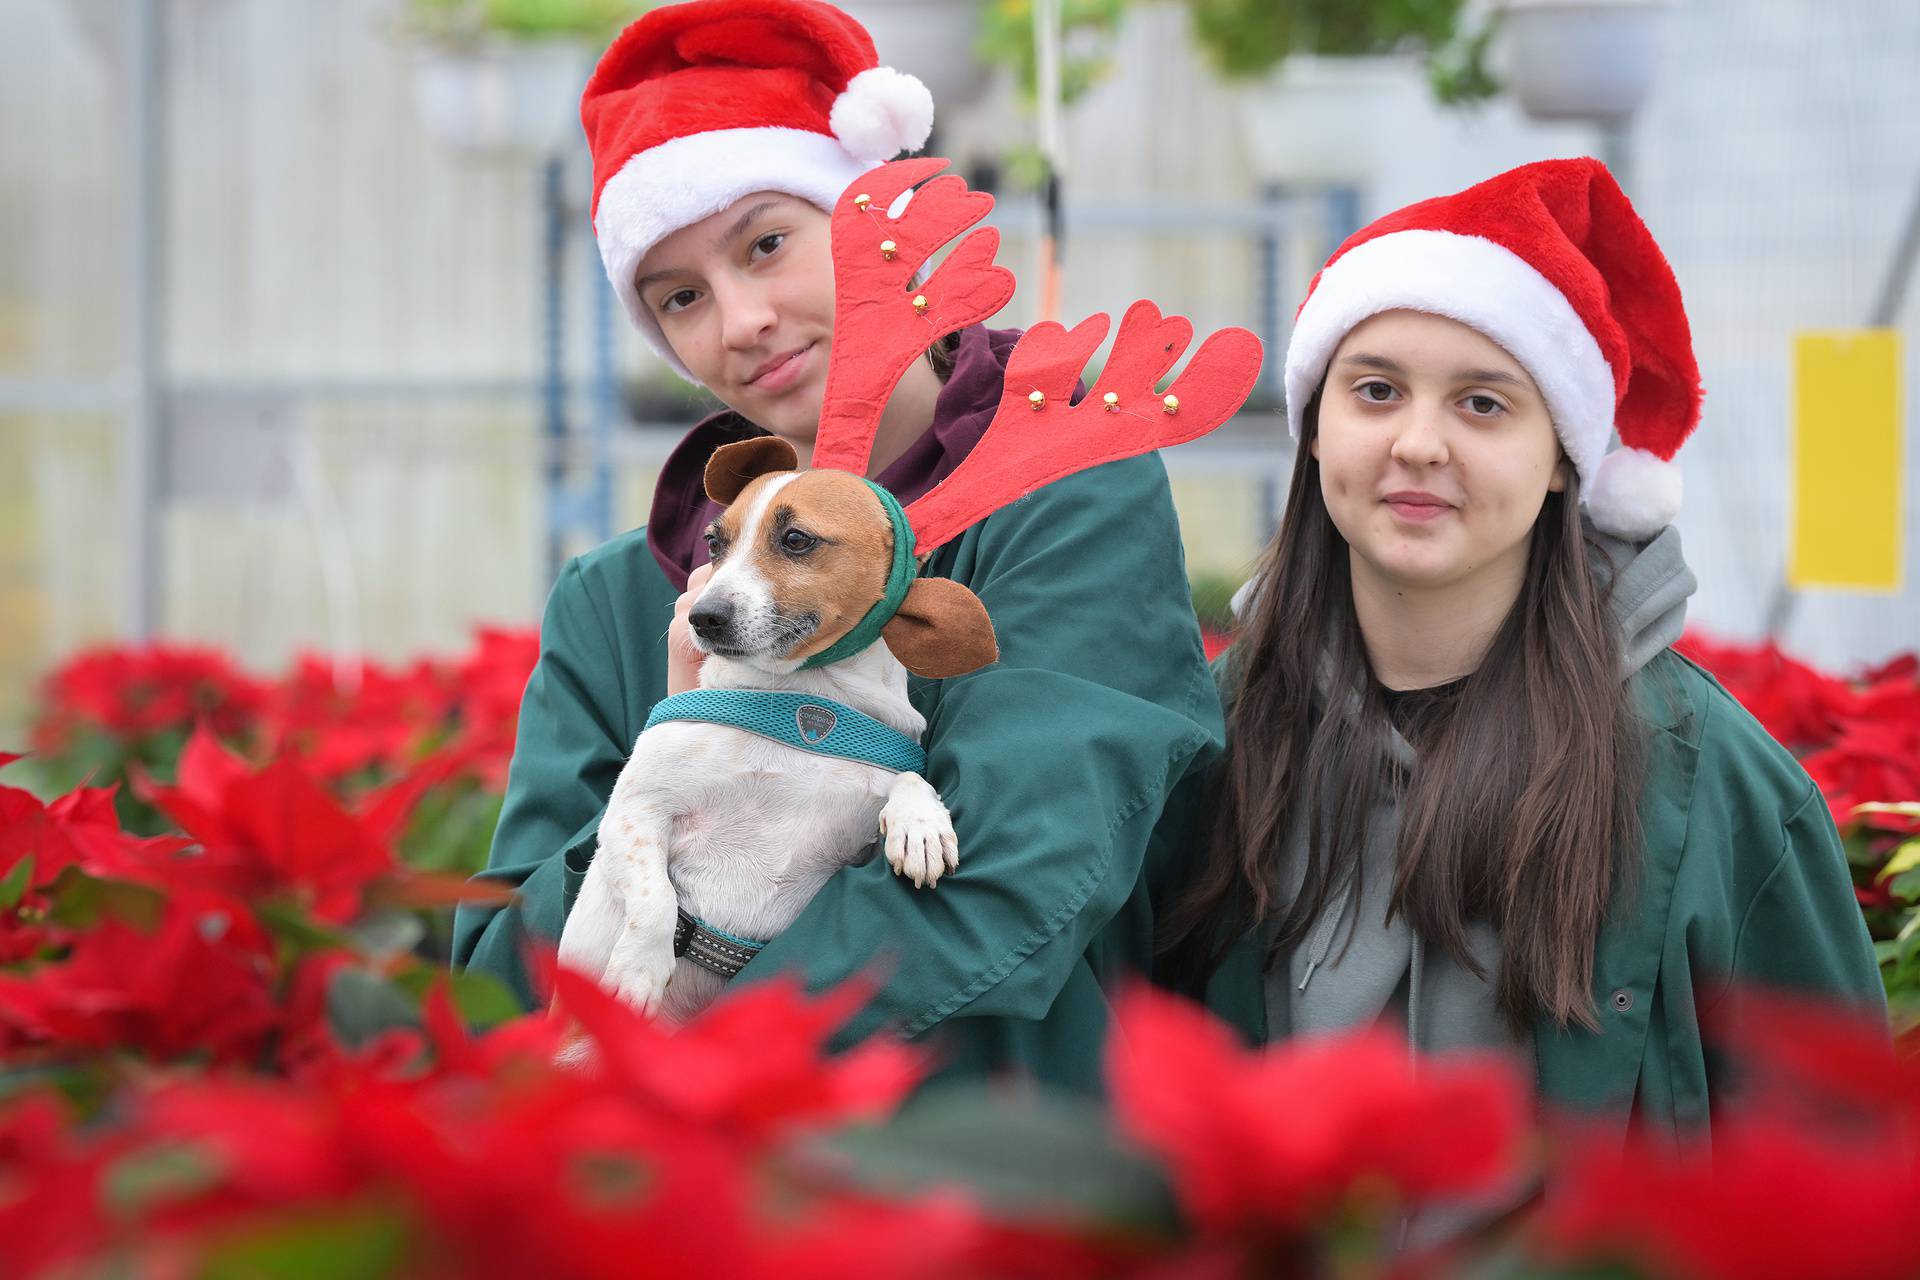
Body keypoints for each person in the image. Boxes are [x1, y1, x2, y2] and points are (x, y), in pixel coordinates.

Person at [452, 0, 1222, 1094]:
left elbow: (1017, 876)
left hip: (989, 1164)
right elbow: (497, 973)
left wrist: (683, 1063)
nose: (742, 319)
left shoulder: (1059, 496)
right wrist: (670, 756)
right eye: (680, 297)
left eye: (768, 242)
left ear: (871, 226)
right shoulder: (620, 597)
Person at [1156, 159, 1884, 1146]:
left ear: (1562, 463)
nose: (1418, 441)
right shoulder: (1211, 740)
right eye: (1375, 391)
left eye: (1483, 403)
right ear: (1315, 432)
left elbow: (1839, 1154)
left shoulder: (1709, 777)